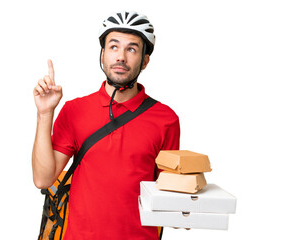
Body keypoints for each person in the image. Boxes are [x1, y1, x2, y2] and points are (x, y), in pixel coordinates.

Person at [32, 11, 180, 240]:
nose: (121, 56)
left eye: (132, 49)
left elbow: (169, 195)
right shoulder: (74, 110)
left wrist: (186, 213)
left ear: (145, 60)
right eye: (113, 46)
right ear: (102, 54)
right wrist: (45, 113)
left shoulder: (166, 119)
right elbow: (42, 179)